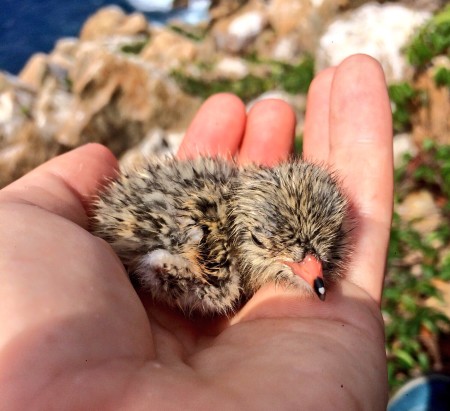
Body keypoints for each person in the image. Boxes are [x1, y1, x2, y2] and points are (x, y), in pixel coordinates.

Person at [0, 54, 392, 409]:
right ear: (248, 234)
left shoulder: (288, 237)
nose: (312, 271)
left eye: (318, 252)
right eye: (266, 245)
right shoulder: (218, 261)